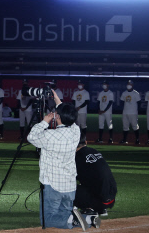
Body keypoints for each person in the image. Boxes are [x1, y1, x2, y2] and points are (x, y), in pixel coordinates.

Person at [27, 91, 87, 230]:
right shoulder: (76, 131)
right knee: (63, 214)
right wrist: (58, 101)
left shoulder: (49, 135)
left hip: (52, 184)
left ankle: (74, 220)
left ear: (57, 117)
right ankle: (85, 218)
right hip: (70, 185)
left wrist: (44, 121)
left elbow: (31, 137)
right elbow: (69, 118)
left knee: (47, 220)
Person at [74, 137, 116, 226]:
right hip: (111, 200)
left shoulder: (77, 156)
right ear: (86, 142)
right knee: (93, 179)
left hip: (98, 201)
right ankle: (101, 208)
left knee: (66, 187)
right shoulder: (95, 151)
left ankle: (90, 211)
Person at [119, 80, 141, 145]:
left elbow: (139, 103)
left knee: (135, 126)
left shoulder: (135, 93)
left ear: (132, 85)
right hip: (125, 112)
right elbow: (121, 102)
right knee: (125, 126)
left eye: (130, 84)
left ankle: (137, 140)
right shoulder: (124, 93)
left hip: (133, 112)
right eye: (128, 84)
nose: (128, 85)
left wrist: (137, 110)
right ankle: (124, 140)